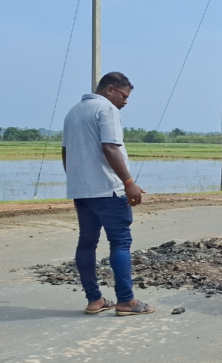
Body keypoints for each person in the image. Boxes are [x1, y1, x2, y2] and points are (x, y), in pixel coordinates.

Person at [62, 72, 154, 317]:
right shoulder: (106, 109)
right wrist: (128, 181)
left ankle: (95, 300)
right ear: (111, 89)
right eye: (124, 96)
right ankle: (127, 301)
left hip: (82, 191)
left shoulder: (73, 112)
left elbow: (65, 153)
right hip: (108, 190)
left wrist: (76, 180)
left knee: (87, 243)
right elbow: (110, 146)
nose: (125, 102)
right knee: (120, 242)